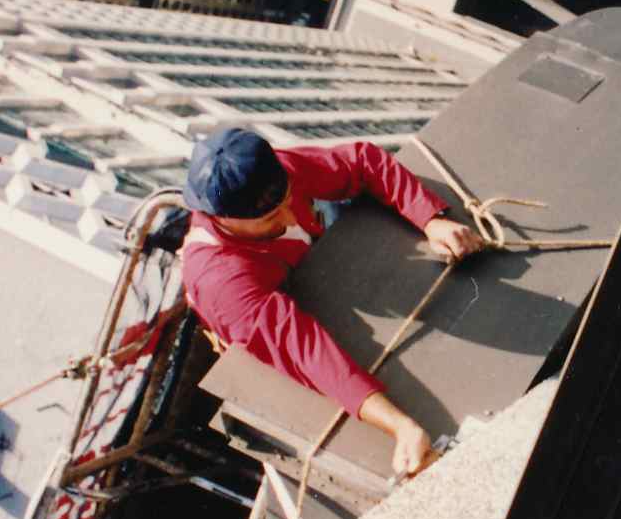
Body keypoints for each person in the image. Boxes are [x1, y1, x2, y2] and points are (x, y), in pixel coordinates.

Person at [181, 128, 485, 477]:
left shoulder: (272, 174)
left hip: (307, 265)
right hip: (259, 318)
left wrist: (430, 220)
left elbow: (363, 162)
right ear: (222, 219)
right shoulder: (222, 282)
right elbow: (306, 352)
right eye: (270, 219)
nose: (291, 219)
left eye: (288, 201)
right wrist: (399, 425)